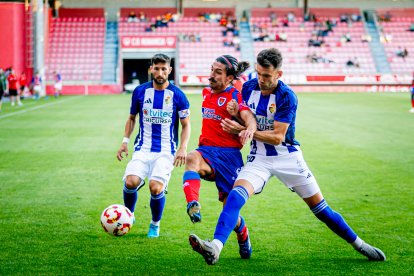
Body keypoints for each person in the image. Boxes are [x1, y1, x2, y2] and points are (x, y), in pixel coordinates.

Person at [189, 48, 386, 265]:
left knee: (321, 210)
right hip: (259, 158)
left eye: (267, 76)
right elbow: (244, 115)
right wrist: (236, 112)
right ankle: (215, 247)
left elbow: (277, 137)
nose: (261, 80)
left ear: (278, 74)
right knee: (235, 196)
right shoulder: (248, 88)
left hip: (288, 158)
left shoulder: (287, 96)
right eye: (259, 74)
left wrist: (243, 131)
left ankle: (360, 245)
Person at [183, 55, 256, 259]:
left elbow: (248, 116)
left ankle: (243, 235)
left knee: (229, 212)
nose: (211, 75)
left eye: (217, 72)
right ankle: (193, 204)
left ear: (229, 77)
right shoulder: (206, 92)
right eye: (211, 70)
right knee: (191, 159)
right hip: (207, 151)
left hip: (230, 157)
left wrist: (248, 128)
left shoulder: (234, 95)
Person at [116, 53, 191, 238]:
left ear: (170, 70)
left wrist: (183, 147)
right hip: (142, 148)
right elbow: (132, 118)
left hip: (166, 151)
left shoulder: (178, 95)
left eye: (164, 69)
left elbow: (186, 124)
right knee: (130, 182)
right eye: (156, 68)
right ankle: (129, 215)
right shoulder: (140, 91)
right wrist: (125, 141)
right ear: (151, 69)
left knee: (155, 187)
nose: (160, 72)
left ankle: (155, 224)